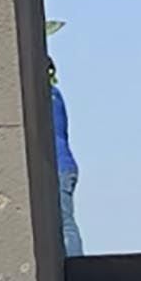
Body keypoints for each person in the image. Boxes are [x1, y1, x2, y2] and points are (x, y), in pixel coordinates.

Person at [52, 63, 83, 258]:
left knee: (64, 221)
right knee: (65, 220)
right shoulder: (54, 94)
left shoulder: (44, 96)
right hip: (65, 165)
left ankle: (75, 263)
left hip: (58, 166)